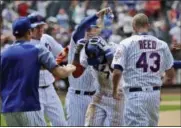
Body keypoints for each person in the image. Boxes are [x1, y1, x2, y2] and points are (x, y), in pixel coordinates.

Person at [0, 17, 76, 126]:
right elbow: (61, 73)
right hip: (28, 106)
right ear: (29, 32)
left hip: (8, 108)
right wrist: (72, 67)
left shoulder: (3, 54)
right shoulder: (37, 49)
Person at [112, 13, 175, 126]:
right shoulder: (162, 44)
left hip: (135, 94)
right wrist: (158, 87)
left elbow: (117, 71)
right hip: (154, 95)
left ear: (133, 26)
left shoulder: (126, 43)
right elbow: (170, 74)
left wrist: (114, 89)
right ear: (148, 25)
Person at [66, 8, 110, 126]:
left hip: (95, 97)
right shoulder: (76, 41)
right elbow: (81, 27)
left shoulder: (98, 45)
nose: (90, 31)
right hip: (77, 97)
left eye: (93, 28)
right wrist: (97, 15)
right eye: (88, 28)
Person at [72, 36, 124, 126]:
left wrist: (109, 55)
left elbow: (115, 72)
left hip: (118, 95)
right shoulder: (87, 52)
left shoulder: (115, 49)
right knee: (90, 124)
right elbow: (76, 74)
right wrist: (76, 53)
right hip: (100, 94)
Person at [27, 13, 67, 126]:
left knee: (61, 124)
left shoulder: (47, 38)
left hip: (50, 89)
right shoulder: (25, 43)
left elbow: (62, 53)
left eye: (42, 27)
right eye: (37, 27)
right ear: (29, 28)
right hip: (34, 91)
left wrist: (54, 62)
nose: (40, 30)